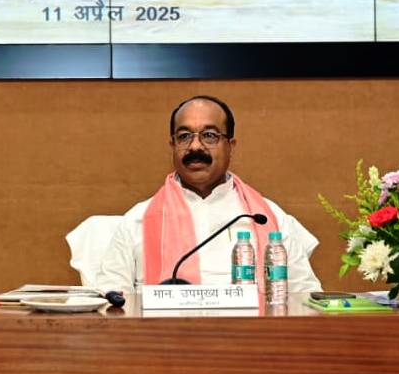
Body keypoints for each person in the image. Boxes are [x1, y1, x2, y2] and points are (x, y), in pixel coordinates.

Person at [95, 95, 322, 293]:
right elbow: (112, 297)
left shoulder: (269, 219)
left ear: (231, 146)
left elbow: (304, 295)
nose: (195, 146)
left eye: (209, 135)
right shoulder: (138, 220)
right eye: (184, 136)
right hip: (163, 331)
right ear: (172, 145)